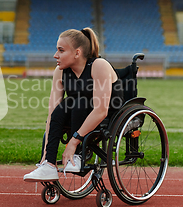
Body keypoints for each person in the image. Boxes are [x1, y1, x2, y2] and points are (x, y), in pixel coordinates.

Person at [24, 28, 124, 181]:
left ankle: (77, 155)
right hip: (78, 113)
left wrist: (73, 142)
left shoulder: (99, 65)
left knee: (79, 101)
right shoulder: (60, 71)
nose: (55, 55)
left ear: (77, 53)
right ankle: (48, 166)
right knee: (64, 107)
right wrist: (46, 154)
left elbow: (101, 111)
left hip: (106, 115)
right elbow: (53, 114)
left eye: (61, 50)